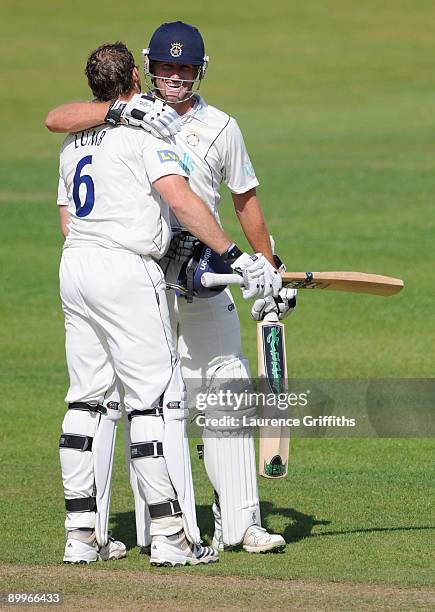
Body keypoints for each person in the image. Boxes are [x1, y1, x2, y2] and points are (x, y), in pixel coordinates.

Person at [46, 22, 295, 554]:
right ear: (145, 70)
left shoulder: (221, 127)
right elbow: (55, 118)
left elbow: (245, 201)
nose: (174, 77)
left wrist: (266, 267)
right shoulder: (129, 117)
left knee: (226, 384)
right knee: (153, 402)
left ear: (200, 70)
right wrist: (121, 110)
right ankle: (168, 530)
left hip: (204, 279)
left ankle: (242, 523)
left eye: (184, 68)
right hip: (144, 280)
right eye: (164, 67)